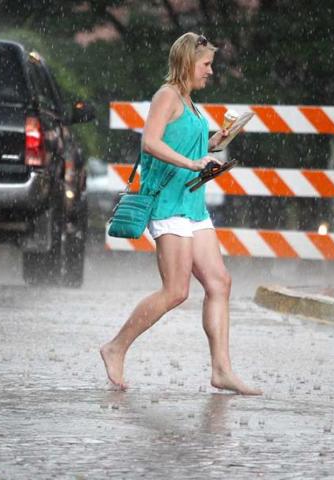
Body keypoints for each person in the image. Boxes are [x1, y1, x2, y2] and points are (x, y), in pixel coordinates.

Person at [100, 32, 262, 396]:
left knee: (220, 283)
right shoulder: (167, 95)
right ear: (188, 62)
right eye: (206, 65)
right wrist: (192, 161)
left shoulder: (189, 102)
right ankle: (116, 347)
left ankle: (222, 370)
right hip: (169, 202)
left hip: (193, 204)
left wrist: (214, 142)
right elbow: (150, 142)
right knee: (176, 291)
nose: (210, 72)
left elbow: (183, 141)